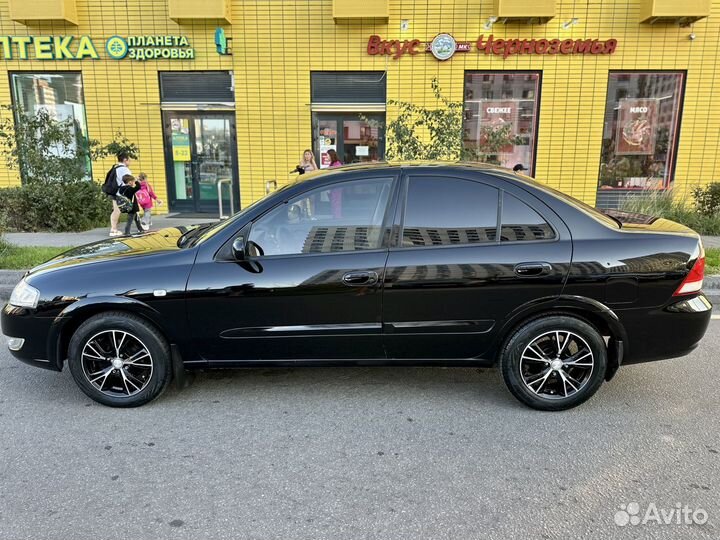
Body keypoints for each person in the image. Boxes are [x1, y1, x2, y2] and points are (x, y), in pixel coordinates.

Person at [109, 152, 133, 237]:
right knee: (118, 210)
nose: (130, 162)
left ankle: (113, 229)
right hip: (120, 192)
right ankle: (113, 230)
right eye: (129, 160)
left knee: (116, 210)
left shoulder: (115, 167)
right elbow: (128, 181)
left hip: (114, 191)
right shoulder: (124, 169)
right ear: (125, 160)